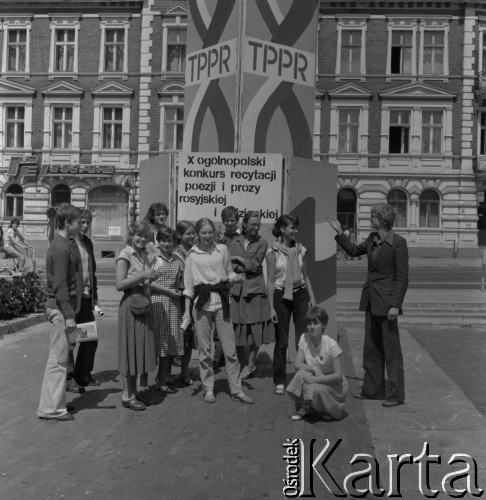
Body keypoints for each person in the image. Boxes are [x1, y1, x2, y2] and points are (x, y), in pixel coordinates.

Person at [328, 203, 409, 407]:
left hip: (387, 303)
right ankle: (373, 390)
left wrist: (395, 305)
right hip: (371, 300)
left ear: (383, 220)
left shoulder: (398, 243)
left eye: (373, 216)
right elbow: (354, 251)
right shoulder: (372, 239)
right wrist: (339, 233)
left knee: (391, 352)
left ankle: (395, 394)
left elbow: (402, 278)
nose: (369, 218)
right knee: (371, 348)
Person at [182, 218, 254, 405]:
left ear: (214, 232)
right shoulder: (192, 254)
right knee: (205, 350)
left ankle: (236, 389)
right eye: (203, 233)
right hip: (202, 303)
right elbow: (188, 287)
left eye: (209, 232)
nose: (206, 236)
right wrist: (187, 312)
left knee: (230, 350)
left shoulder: (222, 250)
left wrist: (236, 277)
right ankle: (208, 388)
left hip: (222, 301)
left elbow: (228, 272)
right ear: (198, 234)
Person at [37, 204, 82, 421]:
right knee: (57, 360)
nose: (81, 225)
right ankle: (50, 409)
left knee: (61, 358)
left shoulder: (64, 244)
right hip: (60, 310)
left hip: (61, 309)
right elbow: (60, 286)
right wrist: (69, 315)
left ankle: (57, 403)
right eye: (78, 222)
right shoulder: (62, 248)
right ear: (67, 223)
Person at [266, 214, 315, 396]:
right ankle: (279, 380)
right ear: (282, 229)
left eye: (296, 227)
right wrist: (271, 307)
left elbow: (306, 276)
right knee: (282, 340)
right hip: (280, 296)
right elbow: (270, 281)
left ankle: (303, 378)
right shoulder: (272, 253)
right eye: (292, 227)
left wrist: (312, 299)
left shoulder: (301, 250)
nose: (295, 230)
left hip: (300, 294)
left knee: (303, 339)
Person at [115, 221, 157, 411]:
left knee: (139, 350)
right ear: (131, 235)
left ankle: (135, 391)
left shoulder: (142, 255)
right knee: (130, 350)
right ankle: (127, 395)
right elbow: (119, 284)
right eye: (139, 235)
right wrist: (141, 277)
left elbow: (142, 277)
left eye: (146, 237)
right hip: (130, 305)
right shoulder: (125, 255)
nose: (142, 239)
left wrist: (149, 277)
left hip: (142, 304)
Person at [229, 211, 274, 379]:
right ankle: (242, 363)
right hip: (238, 290)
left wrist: (239, 260)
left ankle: (251, 364)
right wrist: (240, 264)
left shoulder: (262, 242)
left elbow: (254, 266)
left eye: (258, 224)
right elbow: (230, 265)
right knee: (239, 329)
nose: (256, 227)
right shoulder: (236, 240)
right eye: (253, 224)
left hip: (255, 291)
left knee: (256, 329)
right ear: (245, 224)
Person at [286, 306, 347, 421]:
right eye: (309, 323)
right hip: (316, 377)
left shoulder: (331, 345)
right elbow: (297, 364)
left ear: (323, 325)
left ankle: (334, 410)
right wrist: (314, 368)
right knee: (301, 374)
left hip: (333, 384)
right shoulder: (304, 337)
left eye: (316, 323)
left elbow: (338, 375)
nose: (312, 327)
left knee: (316, 388)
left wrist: (316, 380)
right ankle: (305, 407)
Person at [148, 227, 185, 394]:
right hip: (156, 302)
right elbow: (147, 281)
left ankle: (162, 377)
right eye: (163, 240)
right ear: (158, 241)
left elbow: (182, 280)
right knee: (159, 343)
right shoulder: (152, 258)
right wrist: (167, 291)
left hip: (173, 304)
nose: (166, 244)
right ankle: (153, 379)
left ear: (175, 242)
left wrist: (179, 290)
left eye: (169, 240)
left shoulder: (178, 259)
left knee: (170, 343)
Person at [67, 209, 101, 389]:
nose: (85, 226)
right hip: (74, 299)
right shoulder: (69, 242)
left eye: (88, 222)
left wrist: (95, 295)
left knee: (89, 338)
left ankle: (83, 372)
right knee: (71, 338)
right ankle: (69, 377)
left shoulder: (87, 242)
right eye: (82, 222)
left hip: (87, 297)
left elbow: (91, 271)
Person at [173, 220, 197, 386]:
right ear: (180, 236)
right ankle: (167, 373)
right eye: (188, 233)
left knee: (188, 338)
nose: (192, 236)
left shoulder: (195, 251)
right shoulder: (175, 253)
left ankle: (184, 371)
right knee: (175, 336)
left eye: (192, 233)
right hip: (178, 299)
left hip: (194, 298)